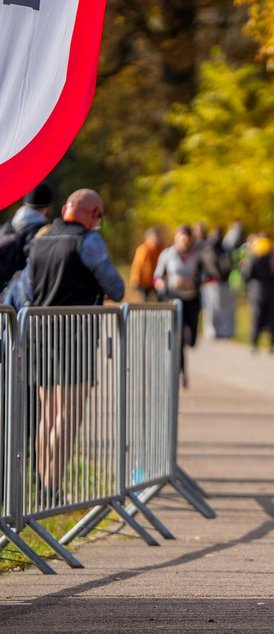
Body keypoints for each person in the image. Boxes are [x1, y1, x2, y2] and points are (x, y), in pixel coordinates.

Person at [23, 188, 125, 498]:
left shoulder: (39, 239)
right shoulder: (88, 241)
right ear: (94, 214)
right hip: (75, 336)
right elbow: (116, 287)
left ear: (66, 208)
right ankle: (53, 487)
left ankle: (42, 484)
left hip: (40, 334)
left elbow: (28, 290)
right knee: (68, 414)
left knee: (47, 414)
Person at [154, 225, 203, 387]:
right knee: (179, 338)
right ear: (176, 239)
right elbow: (157, 277)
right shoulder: (167, 254)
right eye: (182, 239)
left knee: (191, 340)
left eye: (187, 240)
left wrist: (193, 283)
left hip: (192, 300)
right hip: (174, 300)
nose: (184, 243)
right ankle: (180, 372)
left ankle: (181, 370)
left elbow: (205, 275)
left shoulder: (198, 256)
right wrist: (164, 287)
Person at [242, 235, 274, 353]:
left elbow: (246, 275)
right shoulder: (273, 260)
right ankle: (272, 344)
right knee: (272, 319)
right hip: (271, 291)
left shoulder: (252, 259)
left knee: (256, 319)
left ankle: (254, 344)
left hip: (256, 293)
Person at [129, 226, 163, 302]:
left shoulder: (160, 250)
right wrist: (136, 280)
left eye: (157, 238)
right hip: (143, 283)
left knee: (160, 300)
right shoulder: (143, 250)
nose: (156, 240)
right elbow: (137, 266)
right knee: (144, 302)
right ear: (148, 238)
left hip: (155, 282)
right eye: (154, 238)